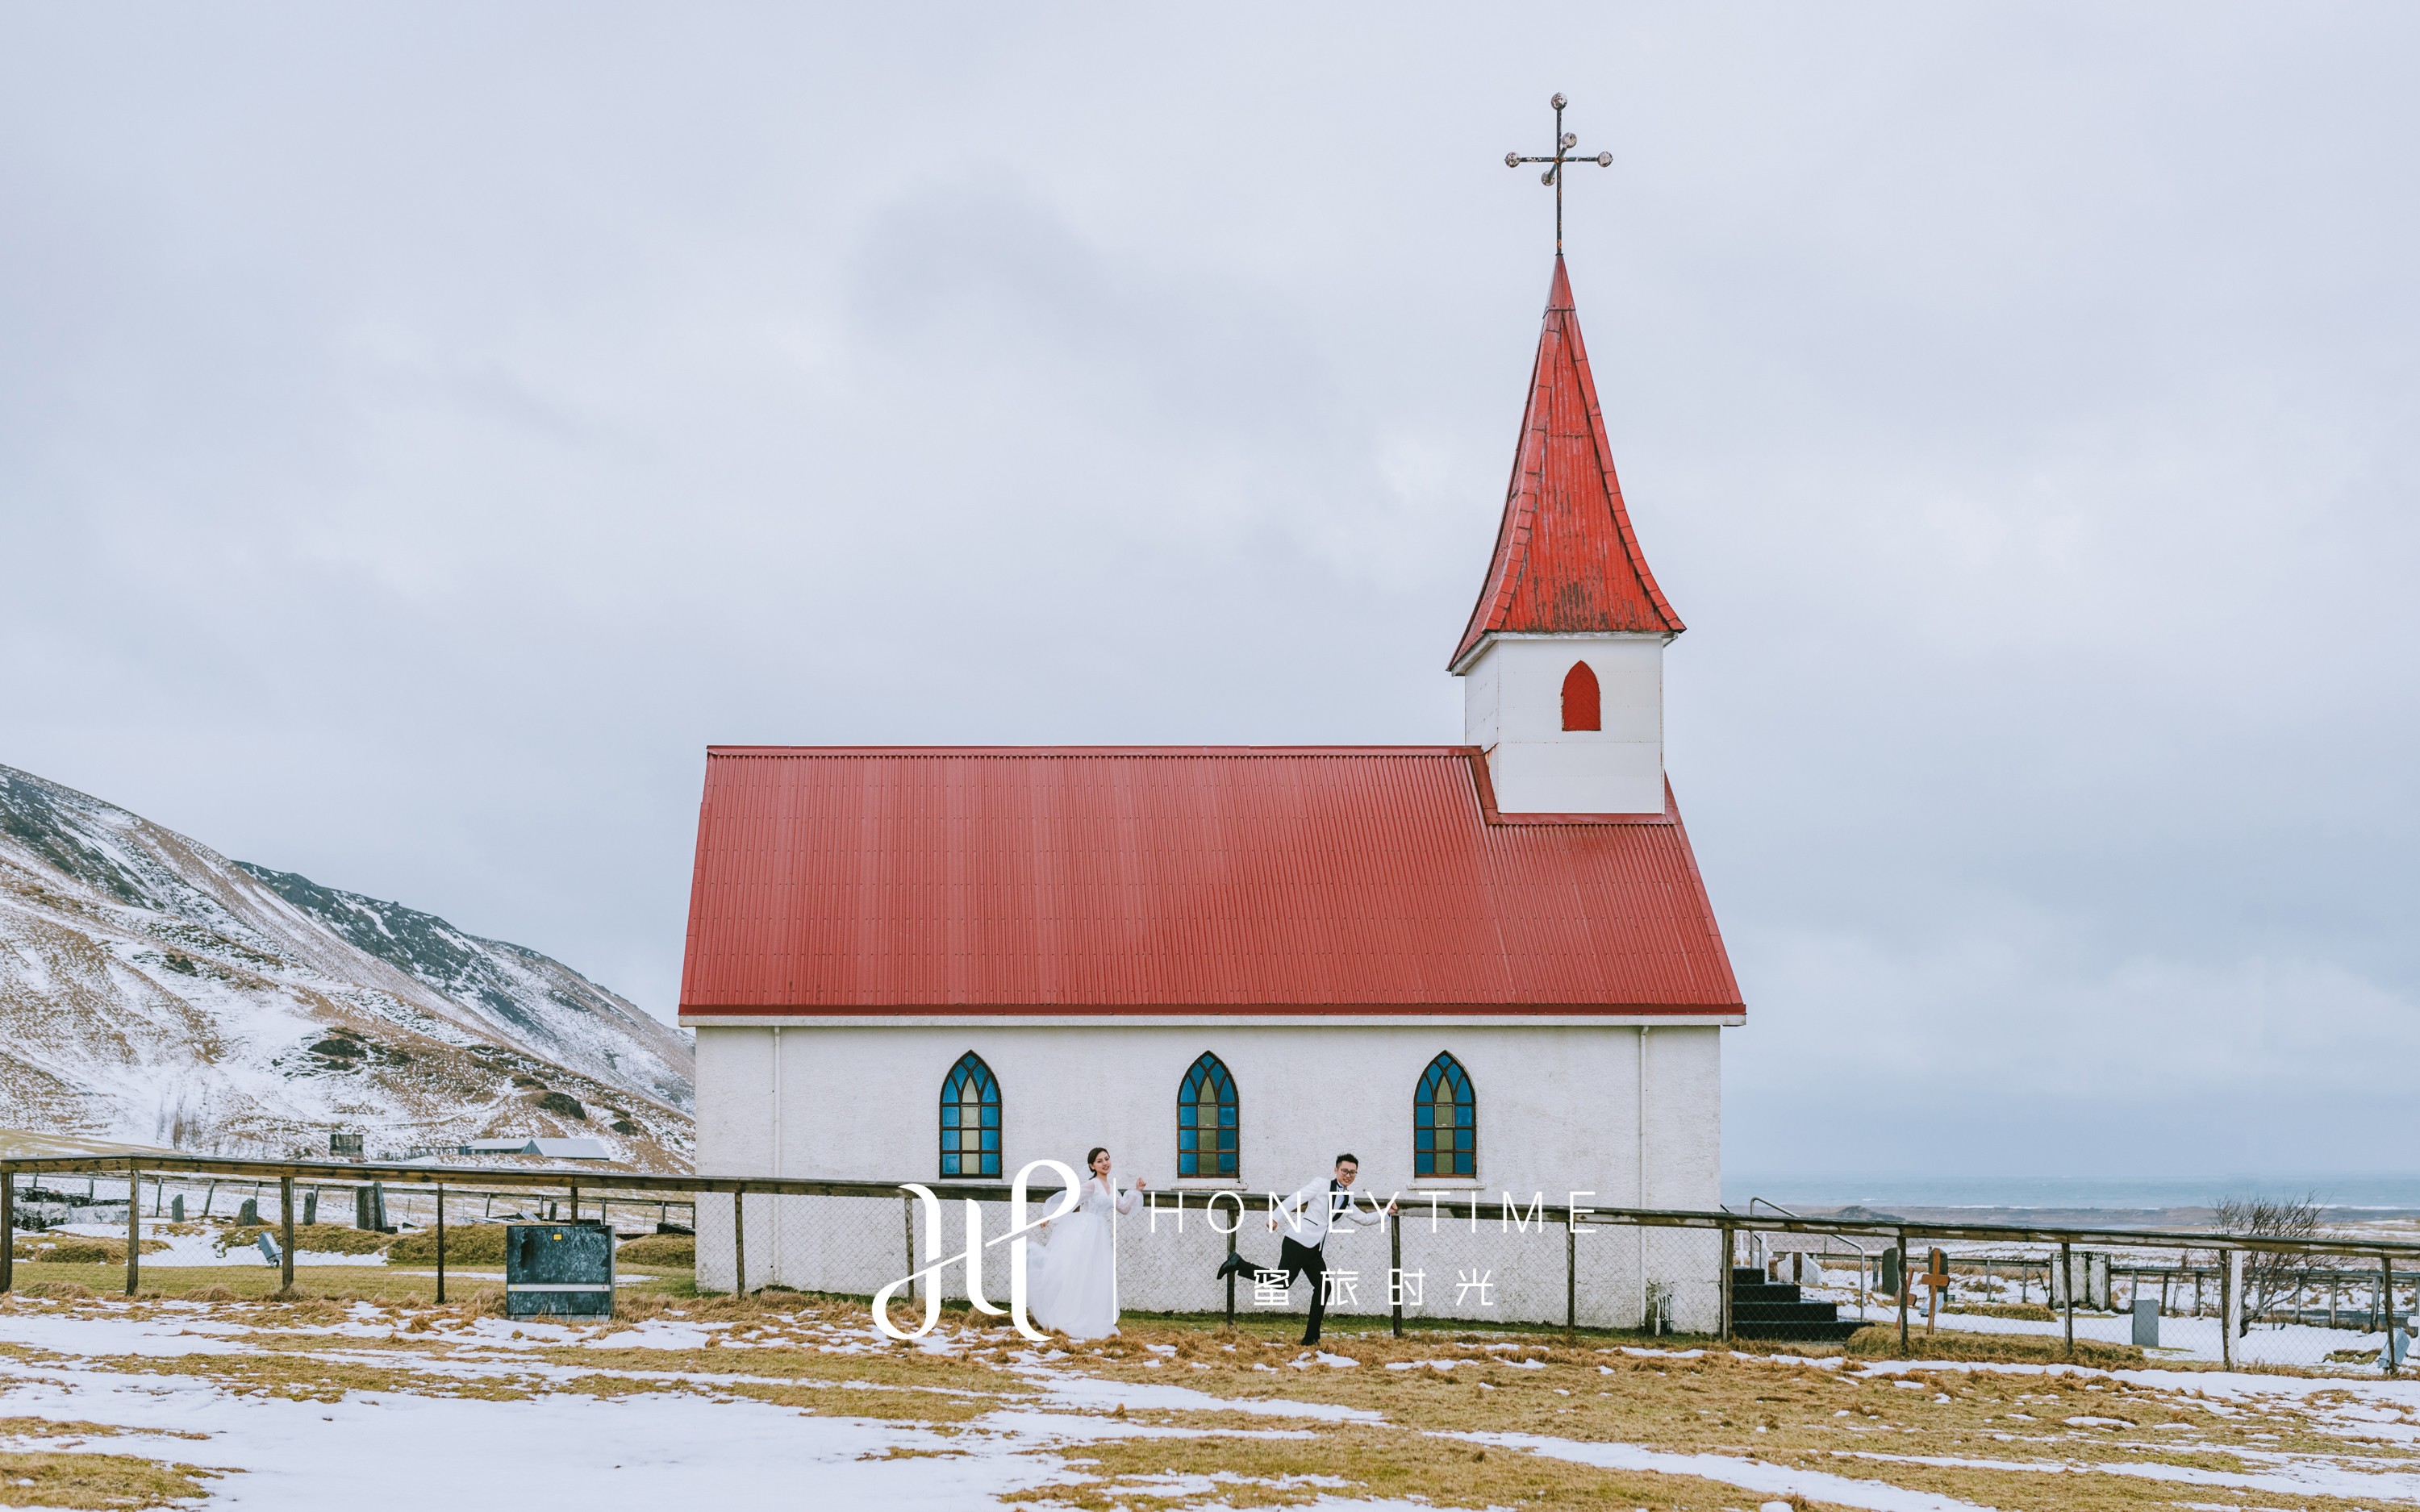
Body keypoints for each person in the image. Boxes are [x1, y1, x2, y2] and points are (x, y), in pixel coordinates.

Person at [1215, 1152, 1395, 1347]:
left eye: (1353, 1172)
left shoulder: (1348, 1199)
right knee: (1282, 1283)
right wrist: (1275, 1217)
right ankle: (1238, 1263)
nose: (1348, 1175)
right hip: (1297, 1242)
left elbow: (1365, 1219)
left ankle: (1311, 1338)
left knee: (1324, 1286)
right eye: (1345, 1171)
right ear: (1336, 1170)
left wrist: (1387, 1213)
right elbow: (1295, 1199)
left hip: (1315, 1251)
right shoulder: (1321, 1185)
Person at [1024, 1147, 1145, 1340]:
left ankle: (1092, 1316)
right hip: (1085, 1231)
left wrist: (1136, 1192)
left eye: (1107, 1159)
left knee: (1095, 1274)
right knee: (1077, 1272)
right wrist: (1050, 1216)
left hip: (1100, 1235)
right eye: (1099, 1161)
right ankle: (1069, 1315)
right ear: (1092, 1166)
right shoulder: (1092, 1185)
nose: (1105, 1163)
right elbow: (1071, 1201)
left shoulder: (1112, 1188)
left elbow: (1123, 1208)